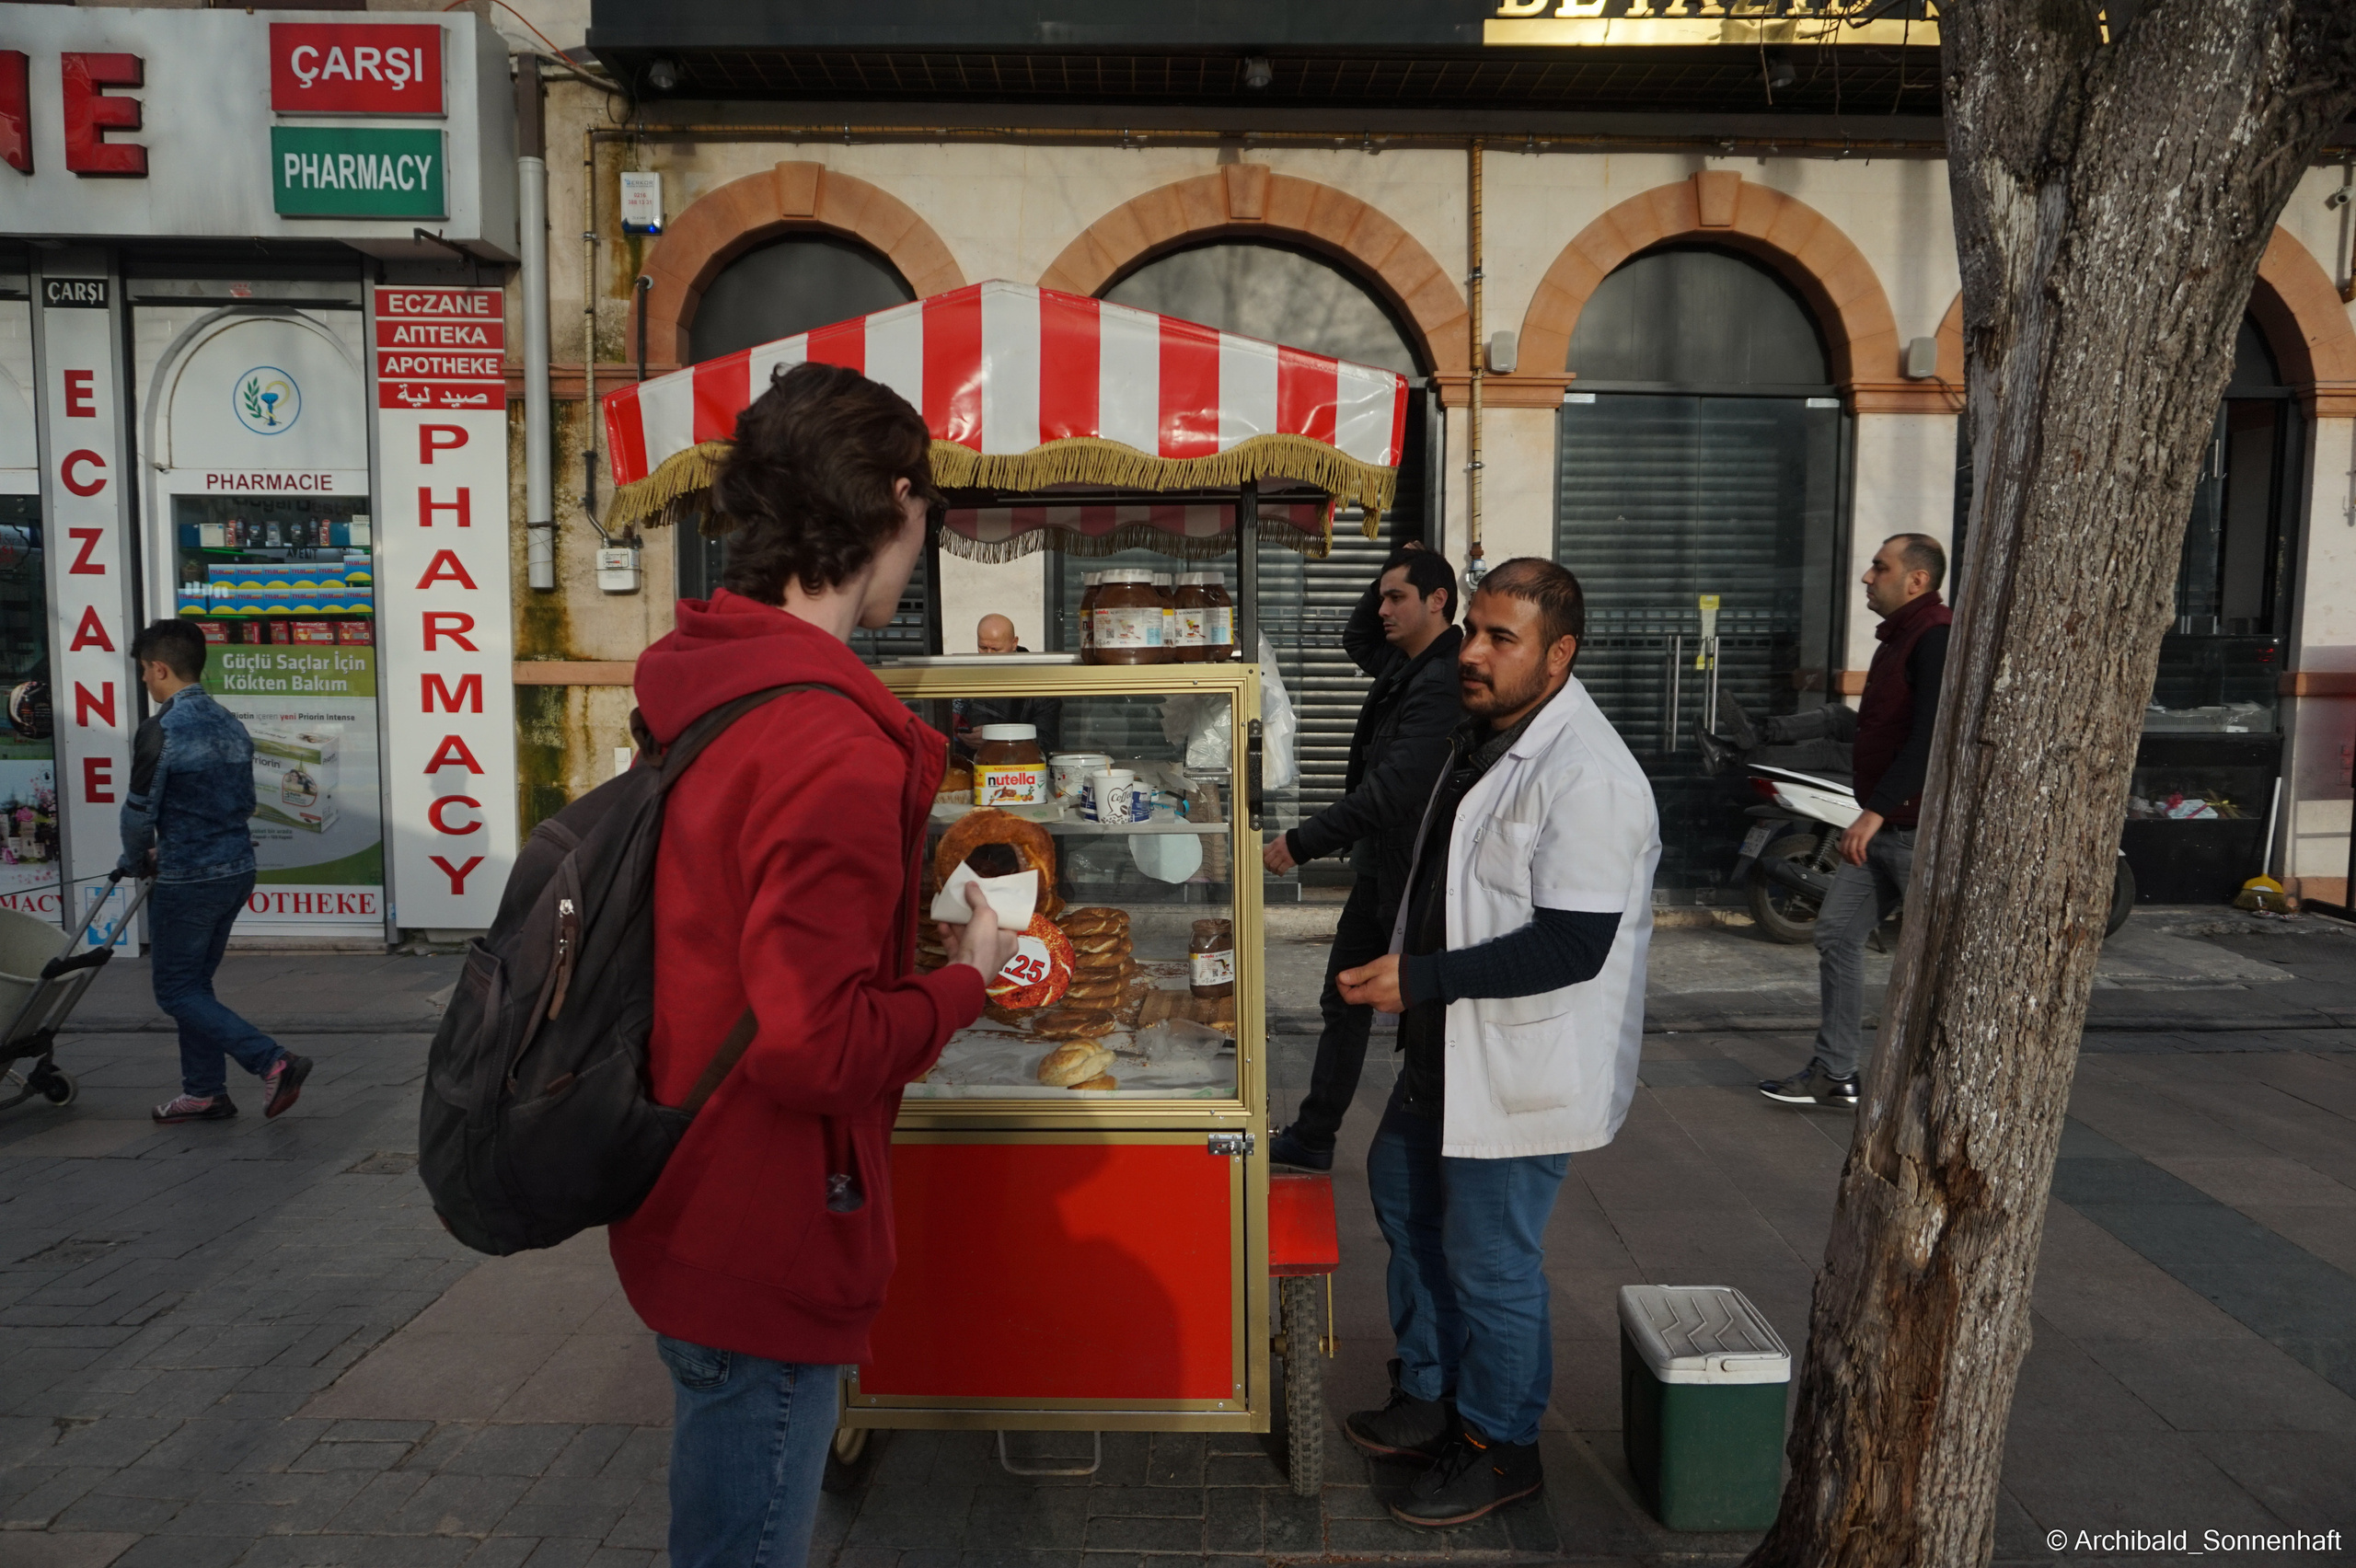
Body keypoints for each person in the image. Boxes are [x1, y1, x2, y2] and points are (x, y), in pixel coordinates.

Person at [610, 361, 1018, 1568]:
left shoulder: (715, 685)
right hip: (770, 1224)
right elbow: (816, 1044)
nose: (925, 540)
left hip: (683, 1182)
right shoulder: (828, 740)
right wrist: (966, 979)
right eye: (929, 513)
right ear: (893, 501)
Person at [1334, 559, 1660, 1528]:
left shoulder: (1588, 775)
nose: (1470, 652)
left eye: (1498, 638)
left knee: (1489, 1260)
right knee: (1403, 1202)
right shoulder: (1481, 736)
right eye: (1471, 629)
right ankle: (1432, 1395)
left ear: (1559, 654)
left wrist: (1418, 979)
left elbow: (1572, 942)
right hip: (1444, 1050)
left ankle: (1501, 1445)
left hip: (1517, 1064)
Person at [1265, 543, 1463, 1172]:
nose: (1381, 610)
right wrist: (1394, 568)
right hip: (1379, 872)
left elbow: (1394, 791)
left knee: (1426, 1016)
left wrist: (1302, 843)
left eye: (1396, 598)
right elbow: (1357, 635)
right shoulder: (1406, 661)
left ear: (1439, 602)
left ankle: (1442, 1147)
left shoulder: (1442, 679)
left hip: (1415, 880)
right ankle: (1314, 1136)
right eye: (1380, 597)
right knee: (1345, 997)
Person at [1757, 533, 1952, 1111]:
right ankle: (1835, 1071)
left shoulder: (1934, 637)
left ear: (1917, 580)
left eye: (1879, 567)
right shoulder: (1897, 640)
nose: (1867, 577)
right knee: (1837, 934)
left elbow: (1930, 738)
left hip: (1916, 834)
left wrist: (1873, 811)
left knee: (1942, 960)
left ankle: (1943, 1089)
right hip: (1885, 830)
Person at [126, 620, 311, 1125]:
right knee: (194, 986)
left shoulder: (160, 731)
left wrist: (136, 855)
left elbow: (139, 813)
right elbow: (237, 801)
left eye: (144, 670)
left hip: (190, 877)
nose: (144, 679)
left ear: (159, 668)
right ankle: (204, 1092)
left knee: (176, 990)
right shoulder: (230, 722)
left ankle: (271, 1061)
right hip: (236, 869)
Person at [953, 614, 1060, 753]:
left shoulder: (1040, 682)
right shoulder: (967, 675)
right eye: (983, 648)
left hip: (1019, 768)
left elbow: (1046, 742)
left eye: (996, 649)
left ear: (1014, 643)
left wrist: (996, 739)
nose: (989, 656)